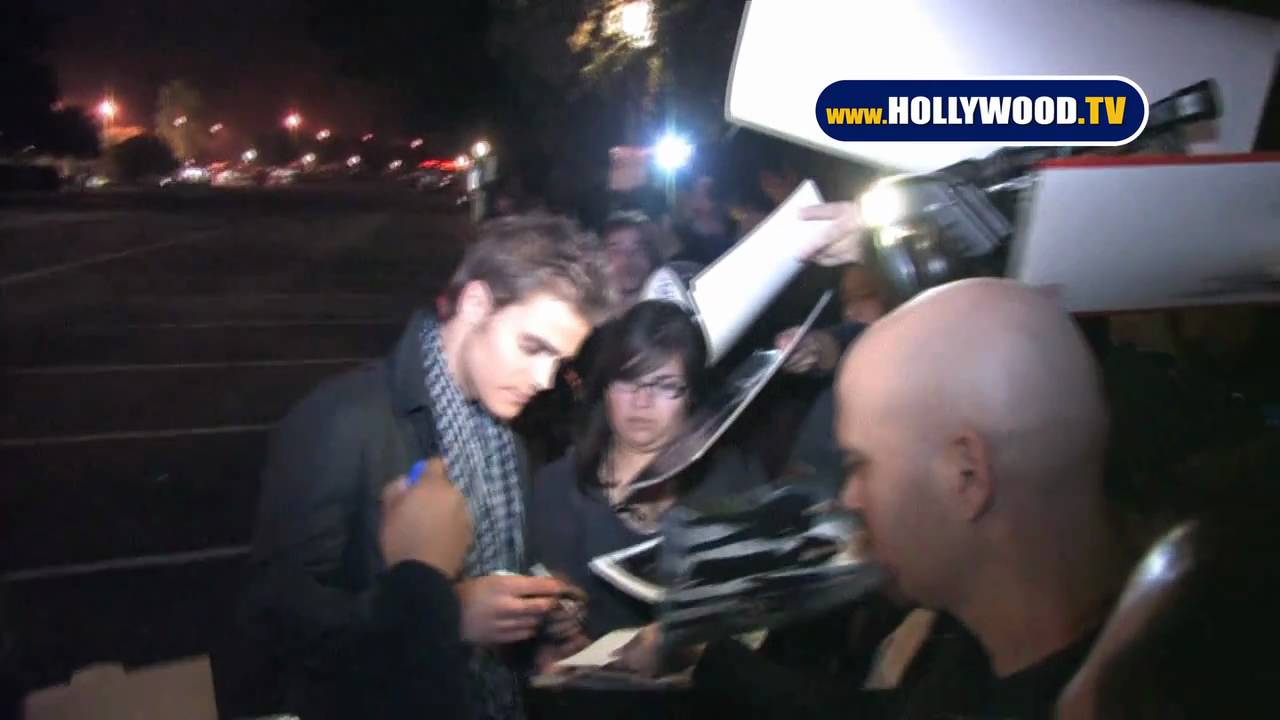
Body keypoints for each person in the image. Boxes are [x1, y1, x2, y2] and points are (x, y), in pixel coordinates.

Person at [616, 278, 1131, 720]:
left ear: (967, 475)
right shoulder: (989, 652)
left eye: (861, 465)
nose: (850, 498)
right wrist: (705, 657)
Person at [218, 214, 615, 720]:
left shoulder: (509, 434)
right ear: (476, 304)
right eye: (533, 347)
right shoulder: (341, 420)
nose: (544, 380)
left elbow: (491, 577)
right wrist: (444, 614)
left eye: (560, 363)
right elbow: (279, 620)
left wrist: (537, 619)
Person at [529, 300, 767, 641]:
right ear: (605, 388)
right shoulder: (558, 486)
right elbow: (544, 610)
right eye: (627, 380)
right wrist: (554, 619)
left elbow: (755, 610)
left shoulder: (733, 479)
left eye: (664, 385)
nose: (642, 401)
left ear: (691, 394)